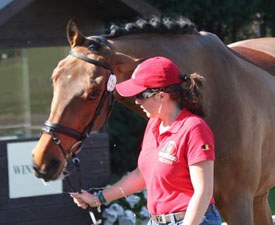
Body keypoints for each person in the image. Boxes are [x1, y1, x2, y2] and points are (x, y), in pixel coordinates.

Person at [70, 56, 222, 225]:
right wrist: (97, 198)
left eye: (141, 95)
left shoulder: (194, 128)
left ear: (161, 96)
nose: (136, 101)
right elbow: (142, 174)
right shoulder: (153, 124)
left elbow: (203, 191)